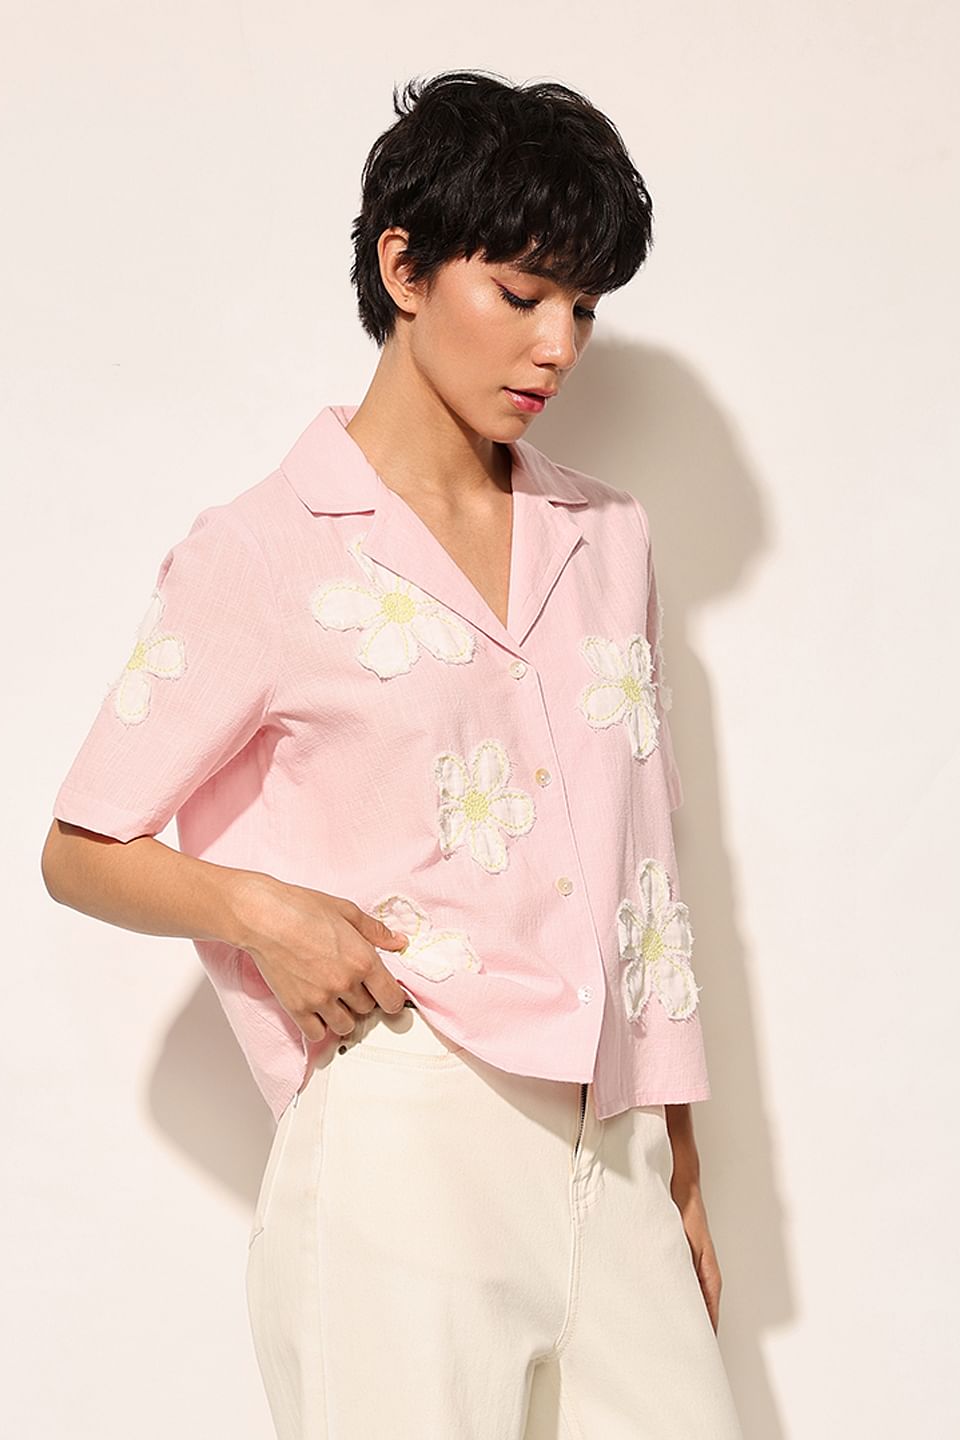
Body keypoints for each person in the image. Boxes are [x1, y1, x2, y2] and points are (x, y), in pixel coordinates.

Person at [42, 67, 744, 1440]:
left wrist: (677, 1153)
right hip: (408, 1132)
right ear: (404, 267)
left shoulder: (609, 539)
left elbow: (644, 865)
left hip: (611, 1143)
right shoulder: (264, 550)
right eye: (523, 294)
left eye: (584, 308)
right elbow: (80, 848)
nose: (557, 346)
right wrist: (267, 914)